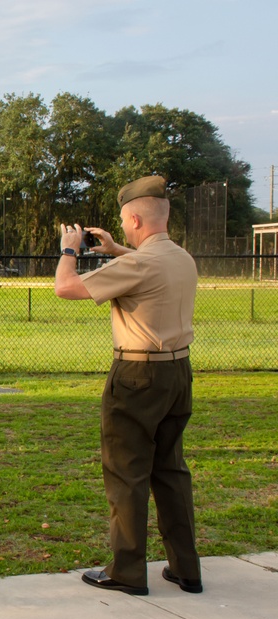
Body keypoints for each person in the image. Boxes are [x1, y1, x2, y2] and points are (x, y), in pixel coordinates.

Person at [54, 175, 202, 596]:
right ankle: (186, 569)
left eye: (124, 223)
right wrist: (116, 251)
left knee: (126, 473)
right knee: (170, 470)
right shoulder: (180, 258)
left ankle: (127, 571)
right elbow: (144, 267)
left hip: (138, 376)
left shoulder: (138, 265)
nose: (122, 229)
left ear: (134, 218)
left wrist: (70, 248)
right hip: (178, 373)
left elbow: (65, 288)